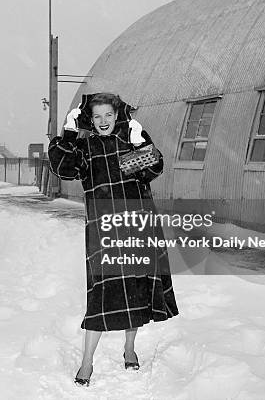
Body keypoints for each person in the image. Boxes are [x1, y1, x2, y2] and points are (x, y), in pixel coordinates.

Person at [48, 92, 179, 387]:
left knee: (135, 290)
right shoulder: (85, 149)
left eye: (109, 114)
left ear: (117, 116)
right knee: (101, 295)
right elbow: (62, 167)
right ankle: (86, 363)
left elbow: (152, 169)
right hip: (104, 229)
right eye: (97, 116)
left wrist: (140, 141)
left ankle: (130, 348)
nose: (103, 121)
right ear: (90, 121)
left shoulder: (126, 143)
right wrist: (68, 134)